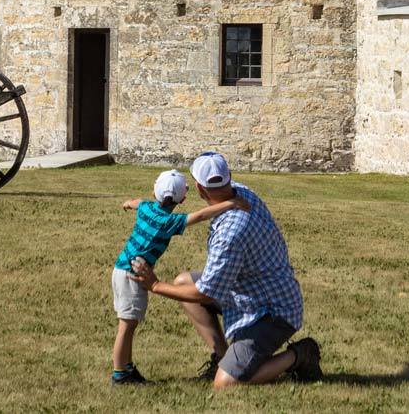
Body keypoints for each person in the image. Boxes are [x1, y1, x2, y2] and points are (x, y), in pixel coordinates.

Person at [129, 152, 322, 389]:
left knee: (226, 383)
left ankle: (300, 355)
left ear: (200, 190)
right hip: (248, 291)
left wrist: (156, 285)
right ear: (229, 178)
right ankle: (222, 358)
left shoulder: (230, 234)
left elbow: (206, 293)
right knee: (182, 282)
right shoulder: (241, 192)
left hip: (273, 312)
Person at [111, 168, 249, 386]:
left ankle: (126, 368)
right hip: (133, 275)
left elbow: (138, 202)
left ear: (154, 192)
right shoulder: (168, 223)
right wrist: (231, 203)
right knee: (126, 327)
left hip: (121, 269)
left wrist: (128, 203)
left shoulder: (146, 208)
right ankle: (120, 374)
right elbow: (201, 215)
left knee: (128, 324)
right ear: (183, 198)